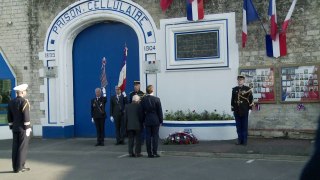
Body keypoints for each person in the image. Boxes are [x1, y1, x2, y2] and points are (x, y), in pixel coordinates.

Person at [7, 84, 31, 173]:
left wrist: (11, 126)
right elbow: (26, 115)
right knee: (22, 148)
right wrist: (27, 128)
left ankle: (15, 167)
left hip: (15, 128)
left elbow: (9, 116)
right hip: (23, 128)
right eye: (25, 91)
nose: (25, 92)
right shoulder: (24, 102)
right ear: (21, 92)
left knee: (15, 147)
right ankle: (20, 167)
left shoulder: (11, 102)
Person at [140, 85, 163, 158]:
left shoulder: (143, 99)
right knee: (155, 136)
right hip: (155, 119)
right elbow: (160, 111)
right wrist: (161, 121)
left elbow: (141, 112)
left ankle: (149, 153)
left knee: (148, 137)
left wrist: (142, 121)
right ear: (152, 90)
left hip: (147, 120)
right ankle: (155, 152)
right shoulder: (157, 99)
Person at [231, 75, 254, 145]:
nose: (239, 81)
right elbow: (232, 100)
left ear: (244, 81)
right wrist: (232, 109)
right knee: (238, 127)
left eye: (241, 80)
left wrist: (250, 109)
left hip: (244, 110)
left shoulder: (247, 89)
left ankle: (244, 141)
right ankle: (239, 140)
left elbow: (251, 100)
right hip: (237, 110)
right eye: (238, 80)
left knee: (244, 126)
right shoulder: (234, 89)